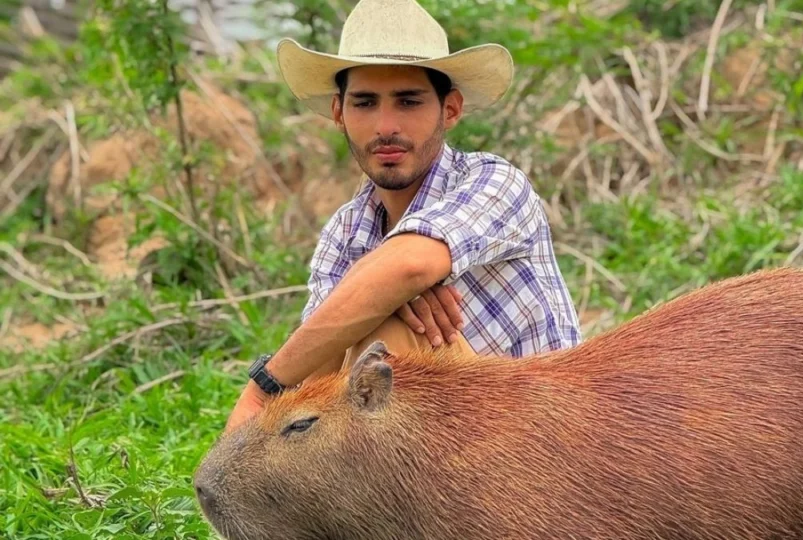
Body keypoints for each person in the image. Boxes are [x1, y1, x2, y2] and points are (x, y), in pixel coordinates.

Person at [225, 0, 582, 431]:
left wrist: (264, 388)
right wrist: (377, 293)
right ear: (339, 113)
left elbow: (410, 265)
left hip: (546, 442)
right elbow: (320, 363)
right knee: (348, 337)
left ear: (449, 109)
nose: (385, 126)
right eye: (365, 103)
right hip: (439, 451)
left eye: (409, 102)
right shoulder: (345, 230)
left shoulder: (495, 182)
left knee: (383, 329)